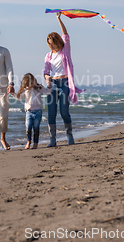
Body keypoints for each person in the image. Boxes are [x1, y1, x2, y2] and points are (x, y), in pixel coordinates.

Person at [43, 12, 84, 147]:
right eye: (50, 44)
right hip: (53, 84)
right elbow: (46, 71)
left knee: (64, 111)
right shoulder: (48, 56)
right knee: (51, 113)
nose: (52, 46)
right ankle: (52, 139)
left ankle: (69, 135)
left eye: (53, 43)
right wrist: (47, 77)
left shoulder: (65, 50)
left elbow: (66, 35)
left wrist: (58, 19)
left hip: (65, 83)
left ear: (58, 41)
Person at [15, 73, 51, 150]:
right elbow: (19, 98)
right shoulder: (26, 90)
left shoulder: (39, 88)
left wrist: (49, 85)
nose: (31, 85)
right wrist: (12, 93)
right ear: (25, 84)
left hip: (38, 111)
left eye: (32, 82)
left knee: (36, 127)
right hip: (29, 111)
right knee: (28, 126)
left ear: (35, 80)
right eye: (29, 84)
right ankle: (28, 141)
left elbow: (48, 92)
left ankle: (35, 143)